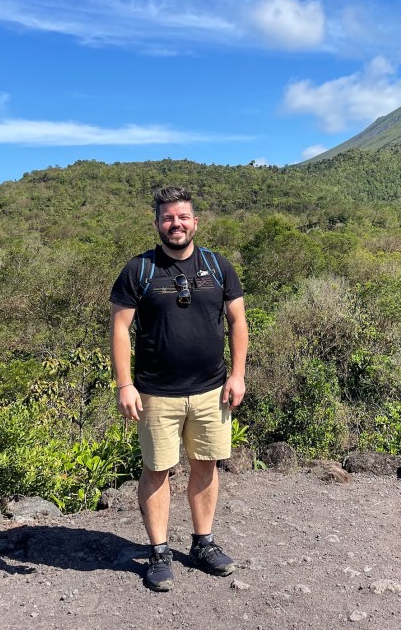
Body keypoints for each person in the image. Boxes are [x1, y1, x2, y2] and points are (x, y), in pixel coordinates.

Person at [109, 186, 248, 592]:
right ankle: (158, 551)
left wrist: (237, 375)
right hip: (155, 393)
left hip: (211, 391)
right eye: (168, 218)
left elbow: (238, 321)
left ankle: (203, 543)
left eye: (182, 217)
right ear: (157, 224)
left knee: (206, 465)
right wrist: (125, 384)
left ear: (195, 222)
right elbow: (120, 328)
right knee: (157, 470)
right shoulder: (140, 270)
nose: (176, 224)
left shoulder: (217, 266)